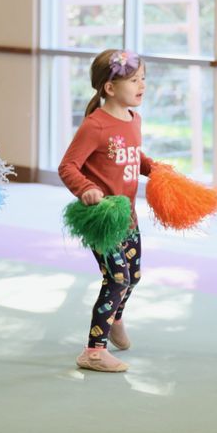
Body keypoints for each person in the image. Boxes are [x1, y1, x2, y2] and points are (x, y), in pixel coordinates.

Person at [59, 49, 152, 371]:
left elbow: (133, 156)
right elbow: (68, 166)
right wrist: (86, 189)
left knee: (133, 277)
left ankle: (114, 319)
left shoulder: (133, 118)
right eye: (133, 80)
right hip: (103, 220)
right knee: (116, 279)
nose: (142, 86)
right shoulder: (95, 125)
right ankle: (93, 352)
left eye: (143, 79)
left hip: (129, 217)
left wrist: (155, 169)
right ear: (110, 88)